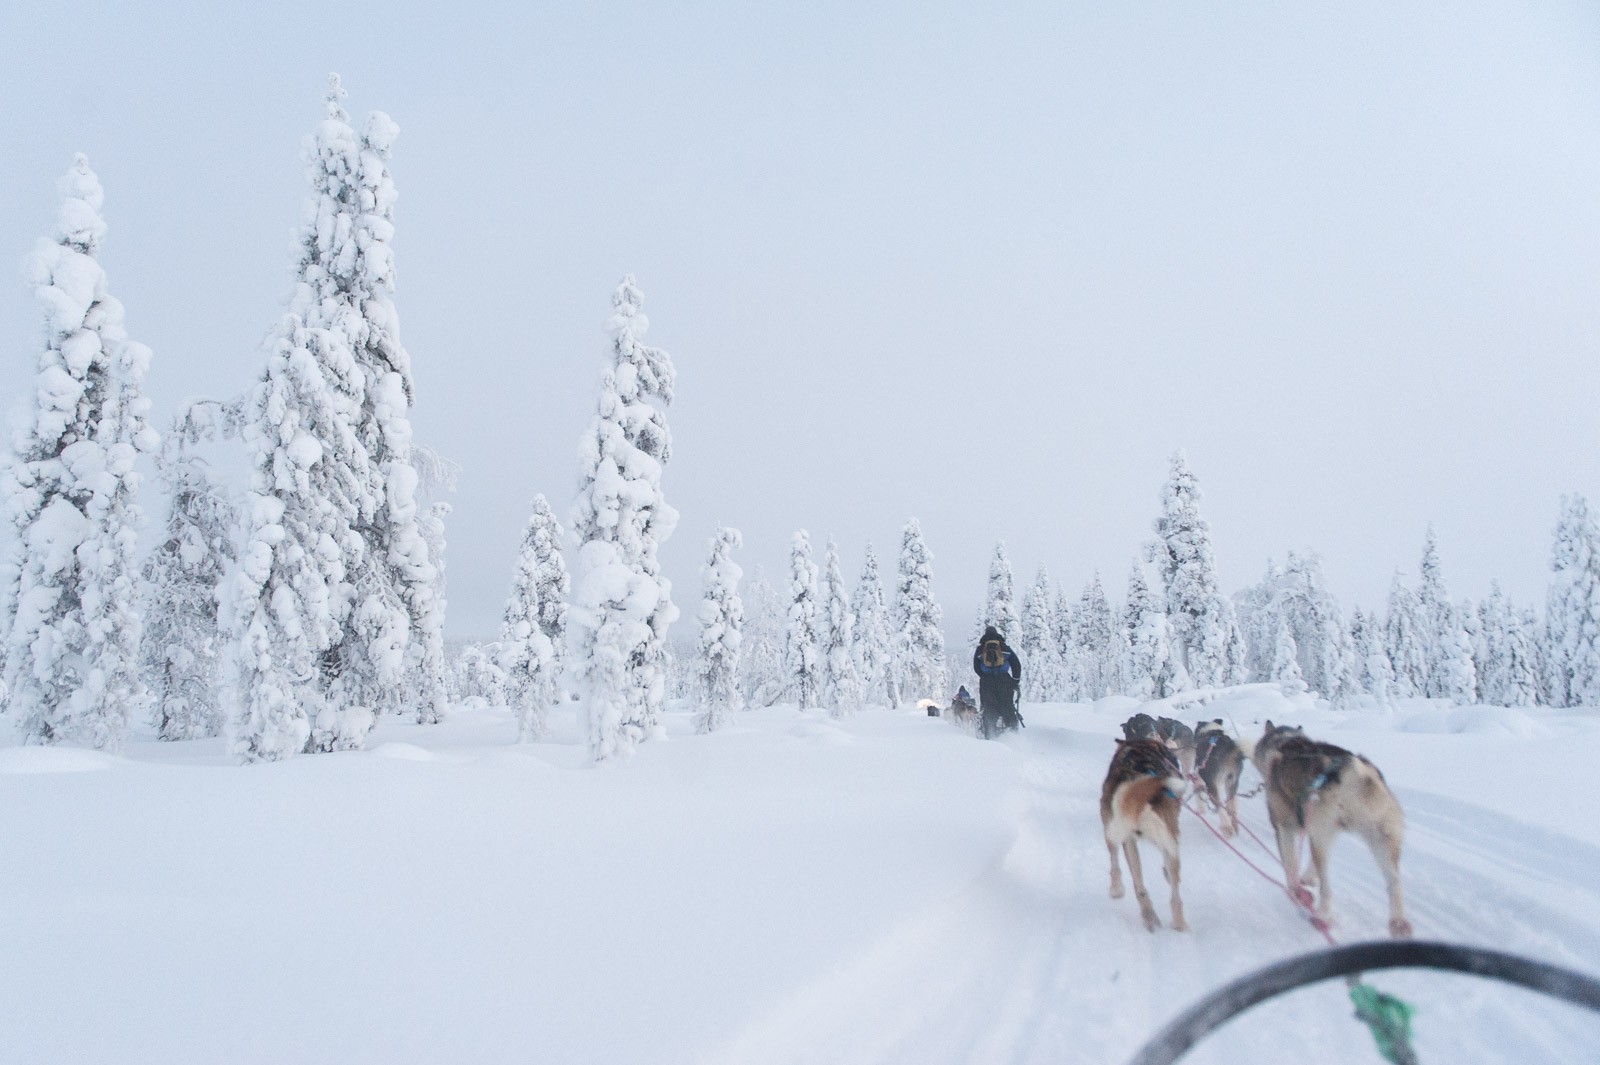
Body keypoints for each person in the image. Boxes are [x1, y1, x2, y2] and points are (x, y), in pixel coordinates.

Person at [972, 625, 1023, 738]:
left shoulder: (980, 649)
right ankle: (1013, 735)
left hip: (987, 682)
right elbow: (1016, 665)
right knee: (1007, 707)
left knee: (989, 708)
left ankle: (989, 735)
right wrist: (1015, 681)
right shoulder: (1005, 648)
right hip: (1004, 681)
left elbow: (976, 667)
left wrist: (984, 676)